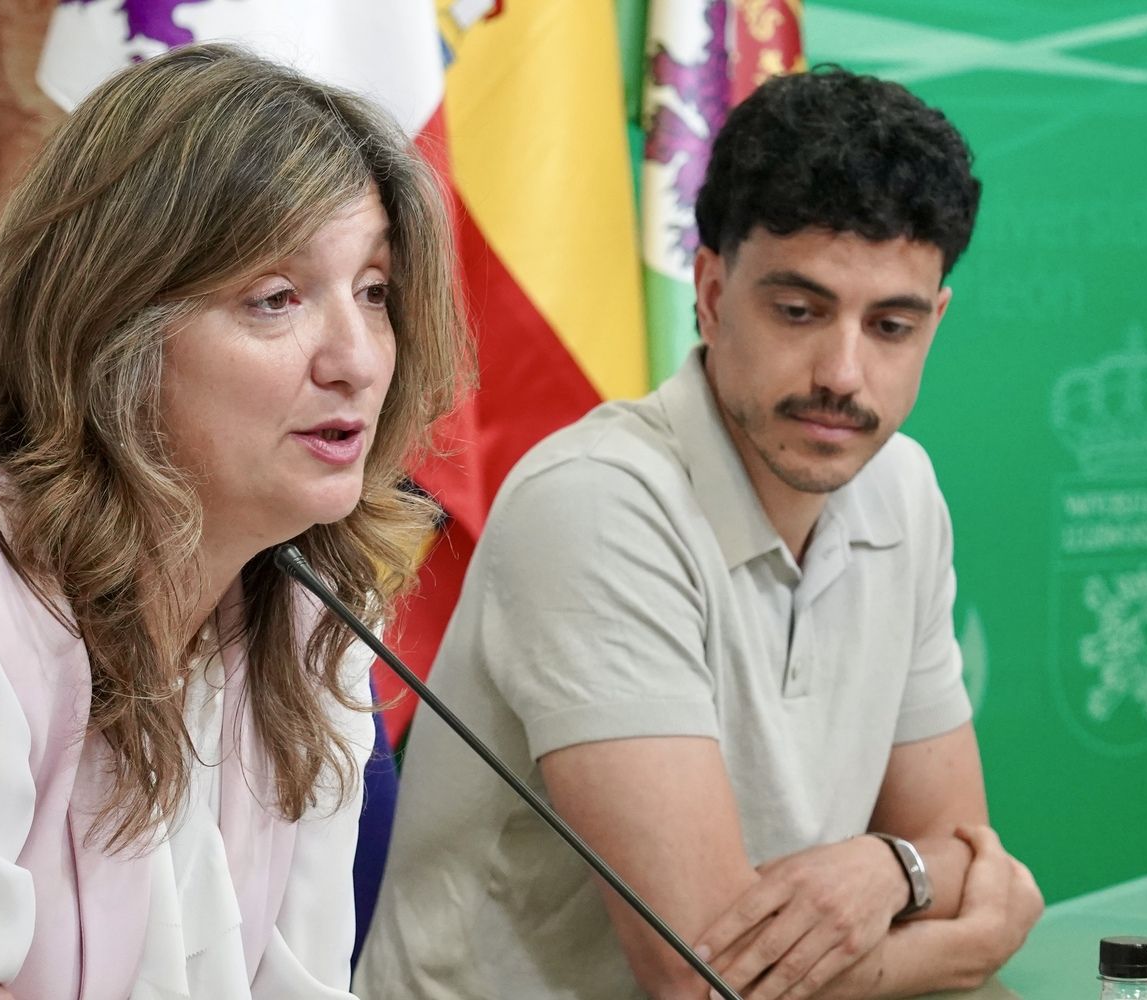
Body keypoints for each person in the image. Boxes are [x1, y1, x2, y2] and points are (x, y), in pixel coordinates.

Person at [0, 43, 465, 1000]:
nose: (356, 359)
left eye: (374, 292)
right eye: (276, 300)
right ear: (110, 329)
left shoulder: (309, 616)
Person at [356, 66, 1042, 1000]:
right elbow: (707, 976)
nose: (843, 373)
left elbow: (955, 853)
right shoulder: (598, 503)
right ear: (712, 292)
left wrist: (893, 869)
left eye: (891, 325)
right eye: (798, 311)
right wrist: (961, 942)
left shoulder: (904, 490)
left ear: (936, 323)